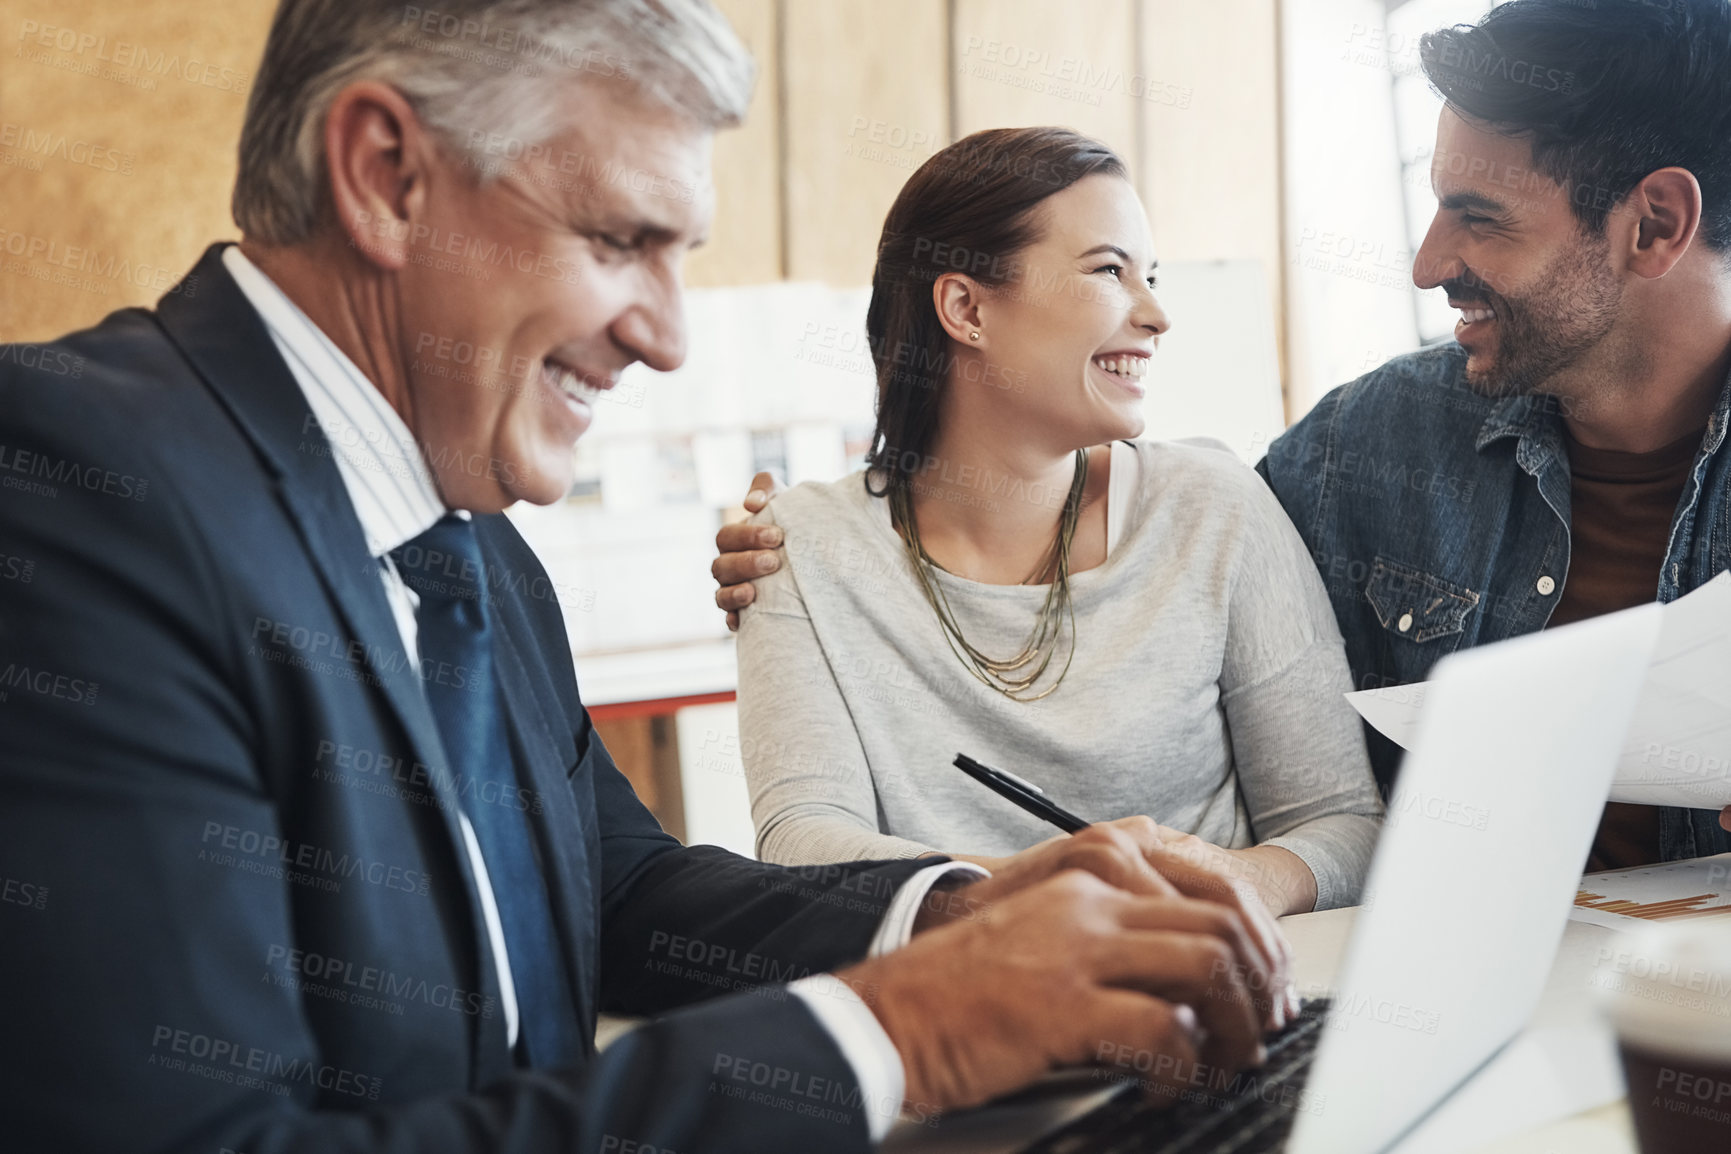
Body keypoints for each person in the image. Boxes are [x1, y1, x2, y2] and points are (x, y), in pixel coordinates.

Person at [0, 2, 1298, 1151]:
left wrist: (957, 912)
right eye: (623, 238)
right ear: (386, 175)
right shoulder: (69, 485)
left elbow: (621, 894)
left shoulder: (476, 544)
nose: (668, 334)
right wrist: (899, 1033)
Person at [713, 0, 1731, 866]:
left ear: (1653, 225)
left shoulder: (1234, 492)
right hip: (1463, 1011)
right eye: (1112, 271)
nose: (1425, 263)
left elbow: (1321, 821)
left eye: (1480, 217)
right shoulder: (1358, 452)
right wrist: (794, 544)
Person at [732, 127, 1382, 917]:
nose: (1155, 315)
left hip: (1213, 1001)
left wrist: (1253, 880)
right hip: (960, 1014)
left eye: (1150, 276)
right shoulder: (795, 549)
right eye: (1110, 271)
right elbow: (802, 842)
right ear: (966, 308)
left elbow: (1342, 825)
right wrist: (1055, 895)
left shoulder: (1215, 507)